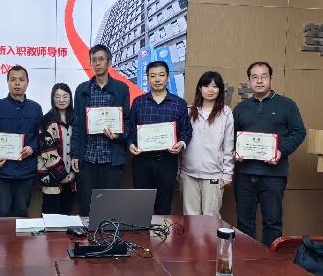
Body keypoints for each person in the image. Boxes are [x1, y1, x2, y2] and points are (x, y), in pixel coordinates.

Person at [233, 61, 306, 247]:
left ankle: (269, 262)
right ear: (249, 81)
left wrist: (281, 151)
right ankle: (246, 259)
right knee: (244, 222)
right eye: (254, 77)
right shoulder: (241, 108)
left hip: (274, 175)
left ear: (271, 79)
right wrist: (236, 151)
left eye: (263, 76)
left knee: (272, 223)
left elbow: (299, 132)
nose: (259, 81)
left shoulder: (287, 105)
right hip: (244, 174)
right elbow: (232, 136)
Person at [71, 44, 130, 216]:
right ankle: (86, 235)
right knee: (86, 206)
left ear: (109, 62)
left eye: (101, 59)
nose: (97, 63)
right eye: (94, 60)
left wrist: (118, 135)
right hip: (87, 157)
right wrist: (75, 154)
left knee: (109, 208)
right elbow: (77, 125)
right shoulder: (82, 89)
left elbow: (127, 121)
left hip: (111, 157)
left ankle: (107, 235)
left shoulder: (121, 88)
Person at [128, 61, 192, 215]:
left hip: (167, 162)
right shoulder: (138, 102)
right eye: (153, 76)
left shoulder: (179, 103)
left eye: (161, 75)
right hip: (142, 162)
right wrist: (130, 144)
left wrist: (181, 144)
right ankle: (142, 231)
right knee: (141, 206)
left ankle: (160, 232)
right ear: (147, 79)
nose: (157, 79)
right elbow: (130, 130)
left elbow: (186, 130)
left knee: (163, 206)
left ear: (168, 78)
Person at [0, 65, 42, 217]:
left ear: (27, 82)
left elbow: (40, 137)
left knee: (22, 213)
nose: (17, 83)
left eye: (21, 80)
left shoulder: (36, 108)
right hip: (2, 171)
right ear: (8, 82)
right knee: (2, 213)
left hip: (26, 171)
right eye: (13, 79)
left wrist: (32, 148)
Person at [179, 71, 234, 218]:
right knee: (190, 217)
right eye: (206, 86)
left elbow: (229, 145)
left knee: (211, 217)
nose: (210, 90)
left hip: (213, 174)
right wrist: (179, 172)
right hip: (188, 173)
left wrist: (227, 174)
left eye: (215, 86)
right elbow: (181, 141)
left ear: (220, 90)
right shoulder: (189, 111)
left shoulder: (226, 113)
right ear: (200, 88)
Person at [38, 83, 76, 215]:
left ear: (70, 98)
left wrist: (72, 174)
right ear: (52, 98)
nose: (61, 100)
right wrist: (62, 175)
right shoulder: (46, 120)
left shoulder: (75, 119)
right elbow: (47, 151)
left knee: (66, 215)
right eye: (57, 96)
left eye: (65, 96)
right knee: (50, 215)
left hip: (71, 177)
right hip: (51, 176)